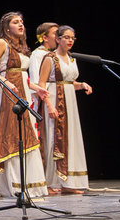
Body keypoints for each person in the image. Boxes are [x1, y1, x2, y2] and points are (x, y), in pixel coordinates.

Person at [0, 12, 49, 199]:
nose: (21, 24)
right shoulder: (1, 43)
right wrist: (4, 82)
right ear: (6, 27)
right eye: (15, 22)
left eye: (21, 21)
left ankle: (31, 185)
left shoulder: (21, 47)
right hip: (7, 94)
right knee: (11, 134)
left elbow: (23, 76)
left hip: (23, 91)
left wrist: (37, 88)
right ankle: (13, 185)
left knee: (27, 134)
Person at [38, 25, 92, 195]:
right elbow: (42, 83)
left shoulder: (72, 58)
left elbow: (69, 82)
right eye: (66, 37)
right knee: (56, 139)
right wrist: (49, 105)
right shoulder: (50, 58)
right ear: (58, 39)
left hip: (70, 102)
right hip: (55, 99)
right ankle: (52, 181)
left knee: (71, 139)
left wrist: (81, 85)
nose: (70, 41)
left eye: (72, 38)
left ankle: (68, 183)